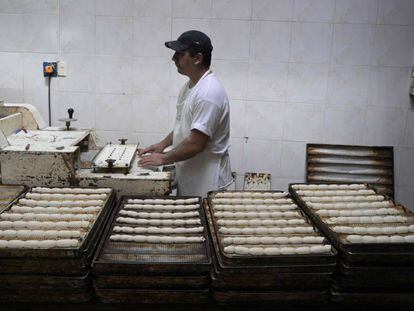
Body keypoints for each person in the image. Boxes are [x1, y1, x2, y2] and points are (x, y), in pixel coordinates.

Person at [138, 30, 232, 197]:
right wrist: (163, 144)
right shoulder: (190, 87)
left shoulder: (208, 93)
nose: (174, 59)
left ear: (197, 58)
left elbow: (196, 143)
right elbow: (184, 125)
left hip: (207, 182)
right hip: (191, 175)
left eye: (180, 54)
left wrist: (164, 158)